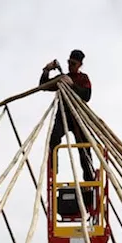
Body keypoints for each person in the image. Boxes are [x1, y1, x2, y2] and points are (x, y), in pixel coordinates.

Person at [39, 49, 96, 182]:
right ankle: (53, 172)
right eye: (69, 63)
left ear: (80, 65)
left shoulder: (83, 78)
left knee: (84, 148)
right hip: (63, 115)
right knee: (53, 140)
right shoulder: (62, 78)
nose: (70, 66)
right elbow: (43, 86)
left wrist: (72, 84)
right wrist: (46, 70)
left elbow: (86, 96)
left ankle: (89, 181)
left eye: (73, 64)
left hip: (78, 117)